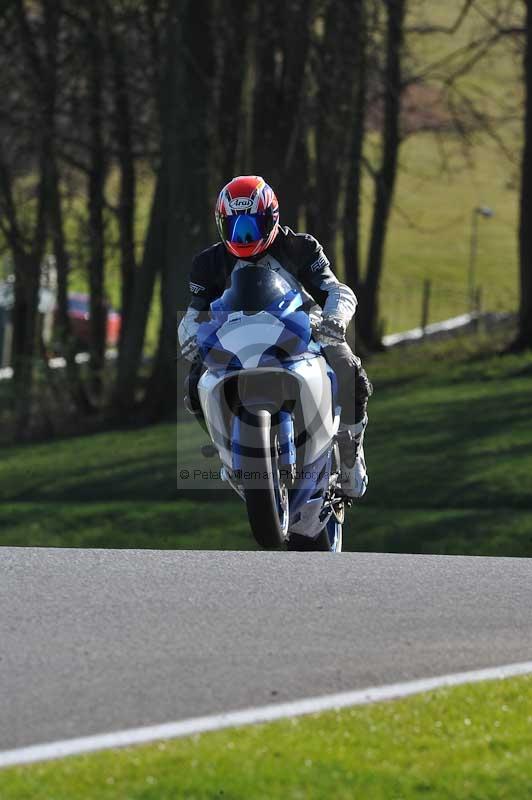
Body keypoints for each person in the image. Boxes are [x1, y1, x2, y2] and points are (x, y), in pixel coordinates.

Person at [178, 175, 372, 498]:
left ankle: (351, 452)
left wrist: (334, 320)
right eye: (235, 228)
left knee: (348, 369)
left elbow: (335, 290)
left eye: (251, 227)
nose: (243, 236)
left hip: (302, 331)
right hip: (235, 340)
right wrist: (189, 337)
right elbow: (193, 314)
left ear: (272, 219)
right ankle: (226, 449)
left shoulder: (301, 247)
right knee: (192, 386)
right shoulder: (207, 264)